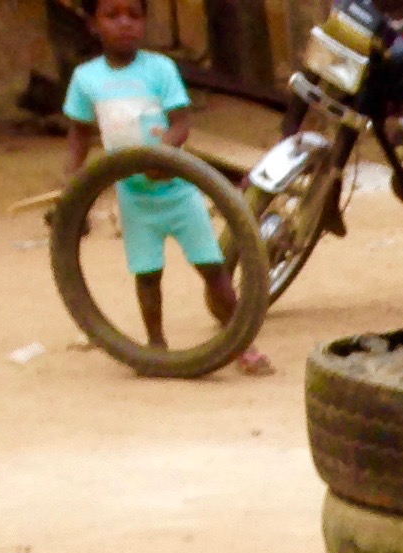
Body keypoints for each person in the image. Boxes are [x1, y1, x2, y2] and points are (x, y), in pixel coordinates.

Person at [63, 0, 271, 374]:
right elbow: (79, 135)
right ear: (93, 25)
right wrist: (71, 187)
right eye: (112, 15)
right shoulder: (86, 78)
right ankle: (155, 349)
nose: (124, 23)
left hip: (178, 191)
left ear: (144, 22)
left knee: (212, 268)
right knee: (147, 275)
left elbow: (180, 123)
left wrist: (164, 155)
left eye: (134, 14)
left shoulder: (160, 69)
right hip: (134, 198)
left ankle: (242, 344)